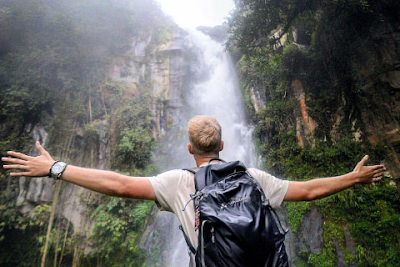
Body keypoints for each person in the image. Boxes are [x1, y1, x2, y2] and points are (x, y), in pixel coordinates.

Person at [1, 115, 386, 262]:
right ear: (223, 146)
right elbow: (310, 191)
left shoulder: (177, 183)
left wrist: (54, 167)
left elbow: (116, 184)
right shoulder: (255, 178)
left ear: (190, 148)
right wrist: (353, 178)